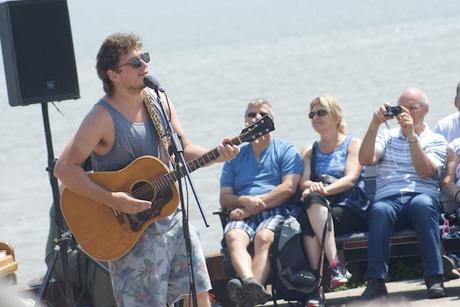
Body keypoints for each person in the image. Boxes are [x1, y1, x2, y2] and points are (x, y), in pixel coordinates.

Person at [53, 33, 239, 307]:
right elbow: (65, 169)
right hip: (130, 232)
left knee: (200, 296)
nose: (145, 67)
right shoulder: (101, 118)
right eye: (135, 63)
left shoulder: (159, 103)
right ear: (113, 75)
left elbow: (184, 149)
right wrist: (114, 199)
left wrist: (217, 155)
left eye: (145, 59)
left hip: (173, 218)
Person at [358, 88, 447, 300]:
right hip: (389, 198)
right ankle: (376, 282)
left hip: (421, 195)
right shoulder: (386, 136)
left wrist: (412, 138)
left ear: (426, 110)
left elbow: (426, 171)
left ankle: (434, 278)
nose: (405, 114)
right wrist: (374, 124)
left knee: (423, 206)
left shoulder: (436, 140)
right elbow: (365, 159)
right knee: (379, 210)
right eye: (401, 109)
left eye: (412, 108)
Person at [219, 98, 303, 306]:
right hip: (242, 210)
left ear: (271, 121)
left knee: (263, 237)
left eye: (263, 115)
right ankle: (251, 284)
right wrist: (244, 201)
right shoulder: (235, 156)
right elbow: (224, 197)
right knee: (233, 236)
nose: (256, 118)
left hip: (276, 210)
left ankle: (248, 299)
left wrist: (253, 207)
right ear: (245, 120)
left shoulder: (286, 150)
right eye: (251, 114)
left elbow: (288, 188)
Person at [296, 95, 367, 307]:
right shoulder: (309, 151)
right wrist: (314, 188)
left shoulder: (353, 144)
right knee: (310, 214)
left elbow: (350, 178)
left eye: (321, 112)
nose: (315, 117)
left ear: (335, 116)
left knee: (312, 211)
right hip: (320, 209)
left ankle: (317, 288)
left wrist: (322, 190)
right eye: (312, 114)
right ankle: (334, 269)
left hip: (349, 208)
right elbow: (304, 183)